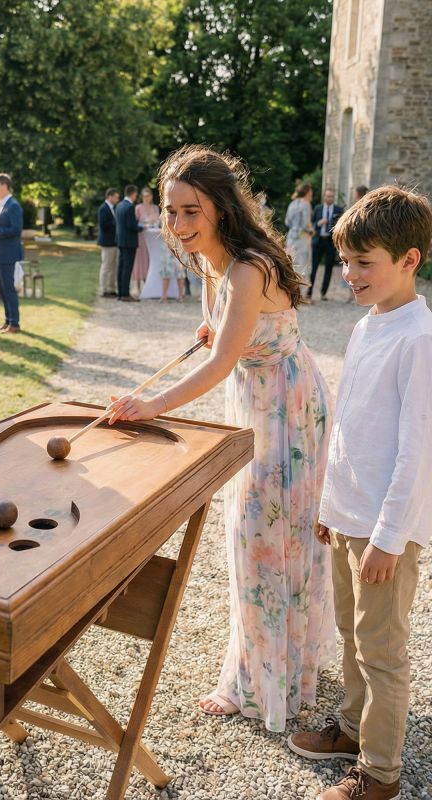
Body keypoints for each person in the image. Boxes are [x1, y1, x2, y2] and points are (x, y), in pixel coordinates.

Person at [107, 145, 333, 732]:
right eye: (171, 212)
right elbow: (230, 337)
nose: (178, 227)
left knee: (264, 537)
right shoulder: (216, 263)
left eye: (190, 212)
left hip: (285, 410)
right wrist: (217, 324)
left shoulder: (246, 267)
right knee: (261, 536)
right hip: (257, 400)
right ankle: (275, 665)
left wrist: (151, 404)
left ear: (220, 207)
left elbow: (221, 361)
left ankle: (262, 682)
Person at [288, 186, 432, 800]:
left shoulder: (419, 338)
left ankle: (379, 771)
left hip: (383, 533)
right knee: (351, 635)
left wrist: (388, 537)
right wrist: (328, 506)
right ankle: (351, 726)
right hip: (348, 516)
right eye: (344, 261)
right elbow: (347, 423)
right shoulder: (367, 324)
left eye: (363, 263)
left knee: (381, 651)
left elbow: (416, 450)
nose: (348, 274)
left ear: (409, 260)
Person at [0, 173, 23, 333]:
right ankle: (8, 321)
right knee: (2, 290)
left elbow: (16, 229)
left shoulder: (13, 205)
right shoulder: (1, 204)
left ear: (4, 186)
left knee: (8, 289)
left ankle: (15, 323)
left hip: (7, 254)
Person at [308, 187, 344, 302]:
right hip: (318, 241)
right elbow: (311, 224)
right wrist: (319, 223)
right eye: (328, 196)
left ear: (334, 197)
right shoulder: (318, 208)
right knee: (314, 268)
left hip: (330, 242)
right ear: (324, 197)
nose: (330, 198)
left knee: (329, 268)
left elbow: (342, 225)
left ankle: (324, 293)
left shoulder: (338, 209)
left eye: (332, 196)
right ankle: (309, 292)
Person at [115, 184, 143, 301]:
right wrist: (141, 227)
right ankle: (126, 294)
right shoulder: (130, 206)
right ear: (132, 193)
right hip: (129, 241)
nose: (136, 196)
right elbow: (131, 225)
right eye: (136, 194)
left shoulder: (119, 205)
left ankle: (121, 293)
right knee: (127, 267)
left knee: (121, 267)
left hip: (120, 240)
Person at [131, 187, 159, 294]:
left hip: (153, 238)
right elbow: (135, 223)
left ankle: (149, 286)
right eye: (145, 196)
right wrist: (145, 222)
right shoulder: (138, 208)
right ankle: (137, 286)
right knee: (139, 261)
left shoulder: (155, 208)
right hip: (141, 238)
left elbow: (158, 221)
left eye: (148, 196)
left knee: (150, 260)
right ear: (142, 197)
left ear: (151, 196)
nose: (147, 198)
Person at [285, 183, 314, 277]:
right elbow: (306, 223)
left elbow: (287, 222)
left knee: (291, 262)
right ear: (307, 192)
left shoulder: (292, 203)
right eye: (310, 191)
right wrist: (311, 230)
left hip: (291, 237)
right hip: (302, 237)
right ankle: (299, 289)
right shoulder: (306, 203)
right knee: (302, 265)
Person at [97, 188, 119, 297]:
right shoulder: (103, 208)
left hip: (114, 243)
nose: (117, 199)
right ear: (109, 197)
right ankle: (103, 289)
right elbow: (103, 225)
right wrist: (116, 221)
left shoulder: (114, 208)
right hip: (106, 243)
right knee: (106, 266)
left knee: (114, 267)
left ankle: (111, 289)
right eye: (116, 197)